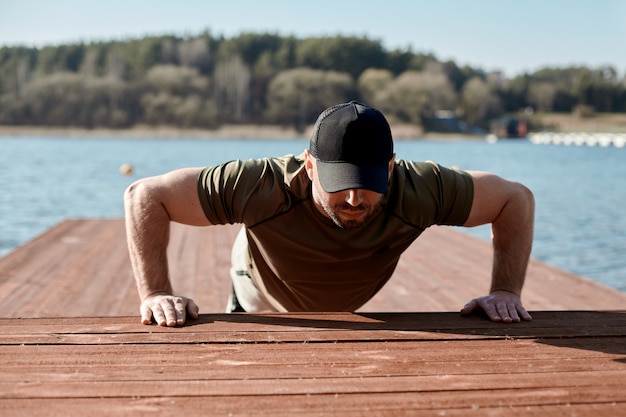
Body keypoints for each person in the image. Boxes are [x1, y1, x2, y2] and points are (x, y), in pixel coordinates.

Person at [124, 101, 535, 327]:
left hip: (346, 304)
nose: (355, 199)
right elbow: (145, 195)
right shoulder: (263, 184)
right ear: (308, 166)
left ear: (390, 168)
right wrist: (157, 292)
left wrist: (505, 291)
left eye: (369, 182)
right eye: (339, 183)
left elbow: (514, 200)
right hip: (261, 298)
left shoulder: (421, 188)